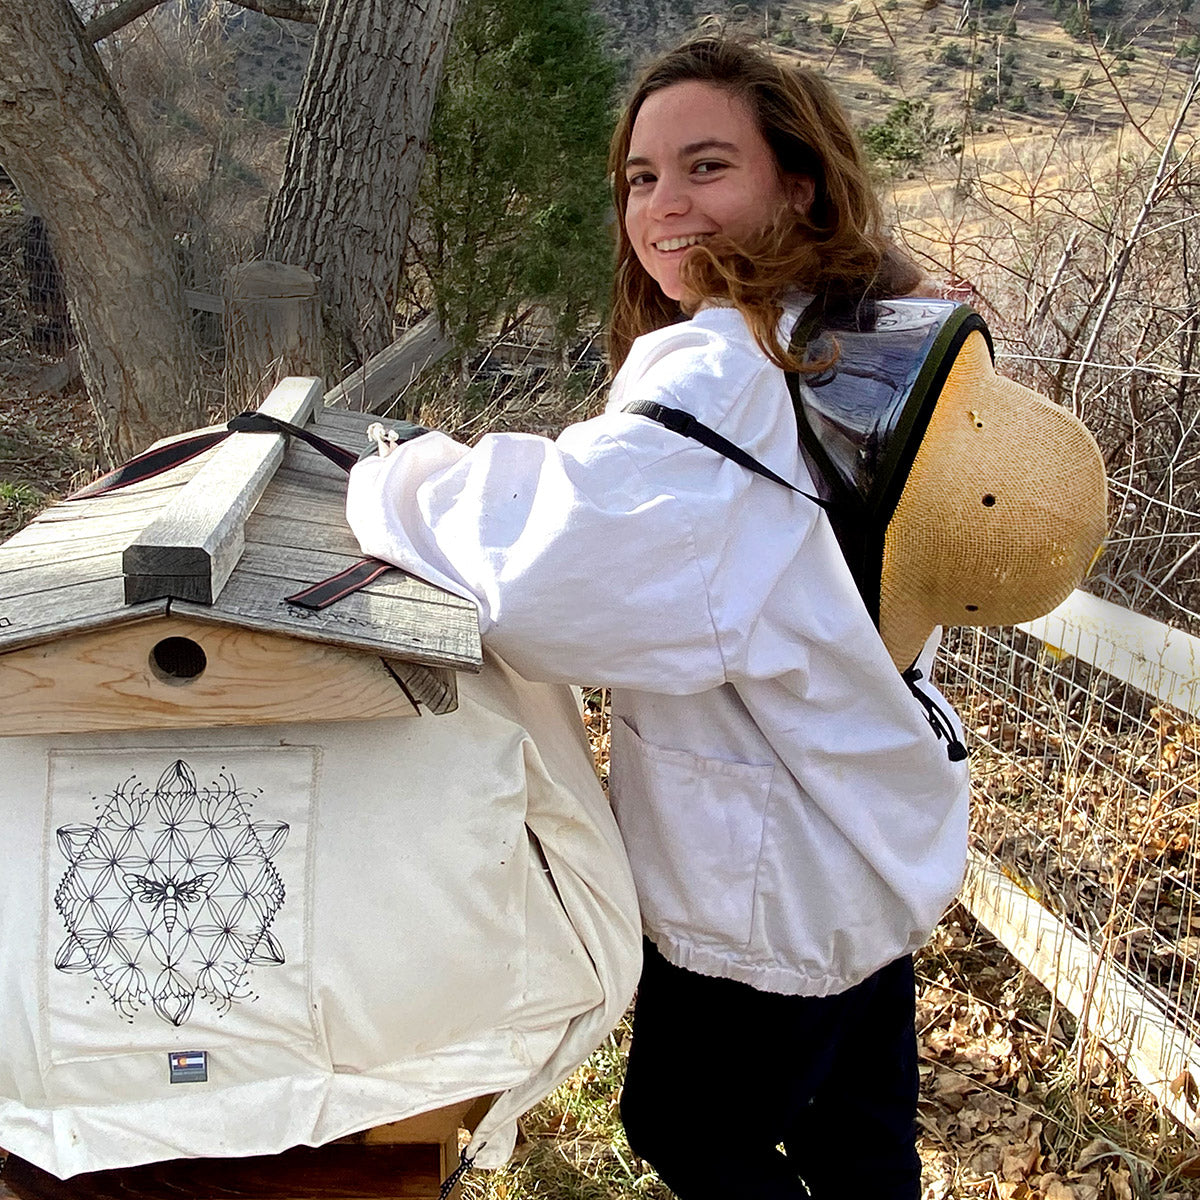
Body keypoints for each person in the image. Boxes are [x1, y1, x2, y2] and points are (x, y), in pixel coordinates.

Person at [346, 36, 969, 1200]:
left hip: (767, 883)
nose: (664, 206)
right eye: (641, 177)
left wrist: (387, 479)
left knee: (687, 1127)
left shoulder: (725, 380)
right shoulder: (848, 348)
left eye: (705, 165)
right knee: (861, 1144)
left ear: (797, 181)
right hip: (872, 832)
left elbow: (546, 568)